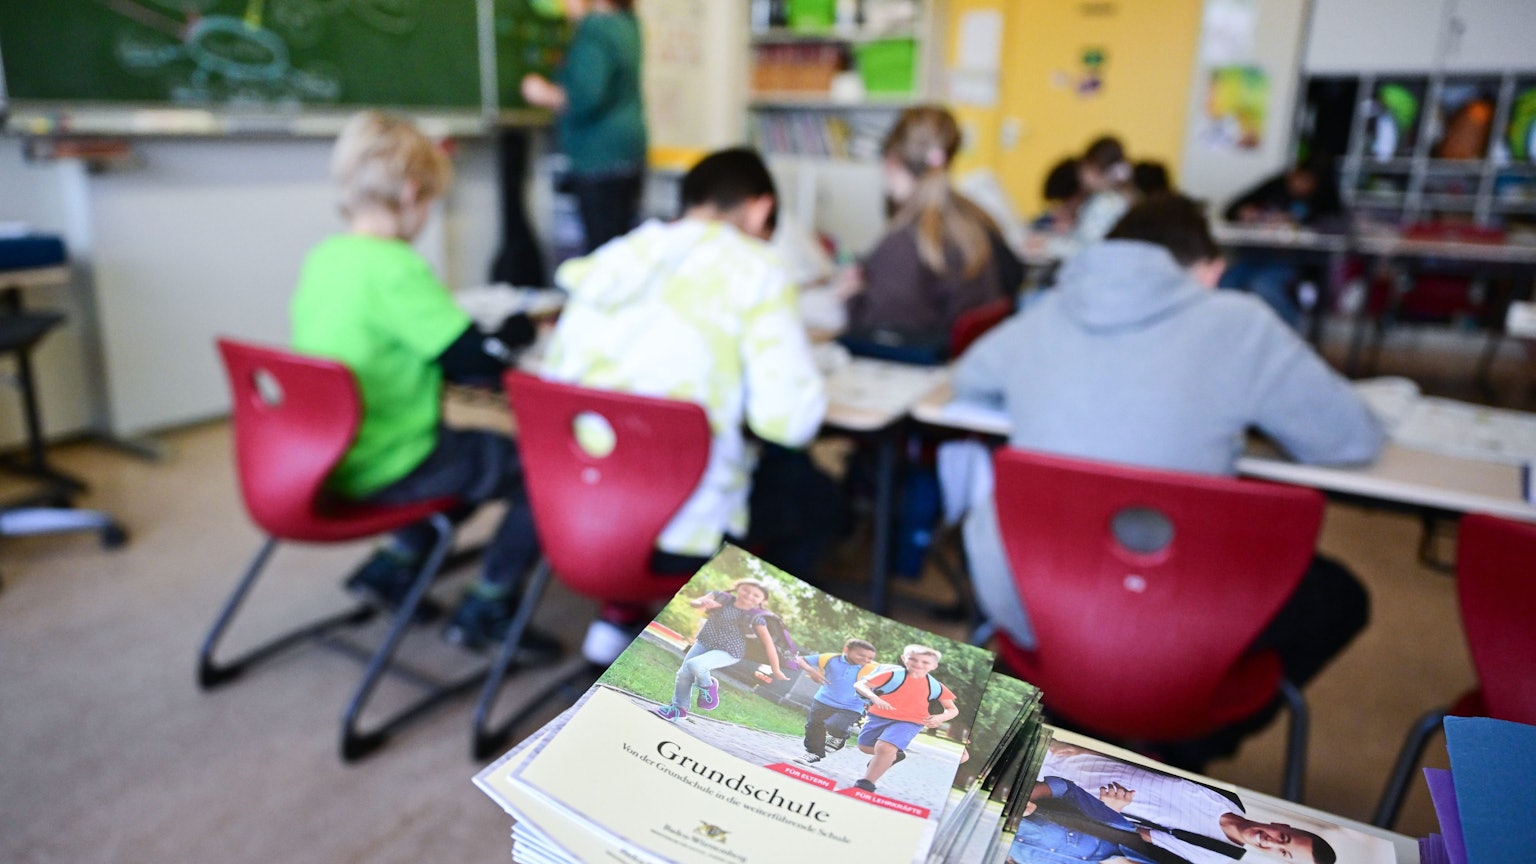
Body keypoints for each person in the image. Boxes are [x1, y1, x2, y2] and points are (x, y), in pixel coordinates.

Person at [952, 193, 1383, 764]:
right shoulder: (1237, 323)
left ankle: (1087, 716)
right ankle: (1189, 740)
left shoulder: (1046, 314)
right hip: (1190, 626)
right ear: (1202, 269)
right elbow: (1348, 439)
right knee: (1343, 598)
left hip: (1041, 607)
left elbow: (969, 379)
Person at [542, 147, 835, 664]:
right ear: (761, 211)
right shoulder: (757, 267)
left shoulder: (615, 258)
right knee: (818, 501)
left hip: (580, 511)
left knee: (642, 449)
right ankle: (737, 655)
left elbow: (555, 382)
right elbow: (790, 422)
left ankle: (621, 617)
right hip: (682, 532)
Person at [289, 111, 558, 656]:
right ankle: (490, 602)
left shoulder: (327, 257)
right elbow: (472, 364)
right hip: (391, 457)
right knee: (539, 466)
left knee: (471, 458)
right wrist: (517, 332)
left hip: (329, 452)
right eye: (432, 202)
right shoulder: (396, 267)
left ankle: (394, 567)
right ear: (413, 192)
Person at [842, 105, 1024, 357]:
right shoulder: (976, 219)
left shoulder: (904, 243)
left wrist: (852, 297)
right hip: (967, 361)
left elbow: (881, 333)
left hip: (919, 366)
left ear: (891, 160)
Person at [1020, 739, 1337, 864]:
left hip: (1055, 803)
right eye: (1284, 838)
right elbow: (1149, 766)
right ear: (1282, 825)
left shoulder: (1217, 859)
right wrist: (1071, 746)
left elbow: (1131, 848)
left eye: (1284, 853)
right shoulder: (1227, 796)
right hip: (1066, 755)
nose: (1272, 843)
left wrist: (1107, 812)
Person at [521, 0, 646, 252]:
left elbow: (587, 95)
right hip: (628, 150)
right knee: (618, 246)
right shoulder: (628, 26)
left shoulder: (594, 32)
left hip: (598, 155)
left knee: (601, 251)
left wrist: (544, 93)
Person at [1219, 156, 1346, 329]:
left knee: (1263, 287)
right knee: (1225, 283)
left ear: (1317, 184)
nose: (1297, 184)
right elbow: (1231, 209)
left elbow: (1336, 227)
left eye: (1306, 181)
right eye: (1296, 177)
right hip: (1254, 254)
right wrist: (1245, 212)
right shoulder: (1277, 186)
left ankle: (1287, 338)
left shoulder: (1326, 202)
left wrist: (1297, 223)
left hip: (1292, 261)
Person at [654, 578, 789, 722]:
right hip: (705, 642)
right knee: (683, 674)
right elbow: (695, 603)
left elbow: (769, 645)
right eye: (746, 590)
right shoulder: (721, 598)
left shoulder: (757, 618)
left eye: (756, 595)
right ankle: (679, 709)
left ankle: (709, 686)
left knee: (696, 665)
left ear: (763, 600)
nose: (749, 596)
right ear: (738, 588)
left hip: (730, 651)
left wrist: (776, 669)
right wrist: (703, 603)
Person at [849, 644, 959, 793]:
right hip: (879, 715)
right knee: (864, 747)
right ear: (904, 659)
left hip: (911, 721)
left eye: (925, 662)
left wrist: (941, 717)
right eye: (913, 659)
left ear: (934, 666)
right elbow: (860, 684)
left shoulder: (935, 686)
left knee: (884, 747)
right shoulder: (893, 675)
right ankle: (893, 756)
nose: (918, 664)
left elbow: (952, 709)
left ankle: (867, 783)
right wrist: (874, 697)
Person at [795, 638, 881, 765]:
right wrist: (811, 671)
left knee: (835, 725)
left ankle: (839, 737)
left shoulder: (874, 668)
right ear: (846, 650)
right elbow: (799, 659)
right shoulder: (830, 658)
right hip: (823, 699)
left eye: (869, 658)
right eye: (861, 655)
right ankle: (813, 753)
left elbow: (886, 684)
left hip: (852, 706)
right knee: (814, 726)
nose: (866, 660)